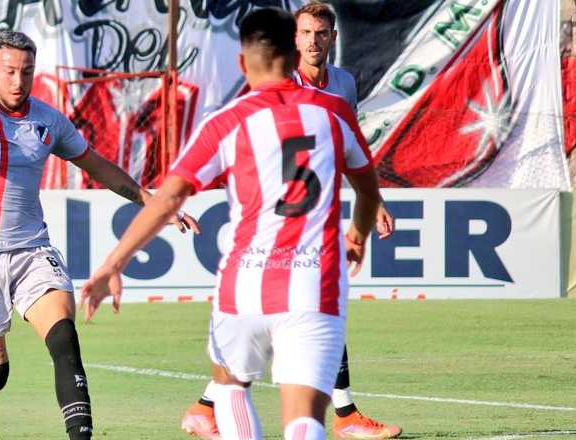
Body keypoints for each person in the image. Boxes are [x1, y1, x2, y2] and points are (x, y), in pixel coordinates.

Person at [83, 7, 382, 440]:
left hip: (242, 286)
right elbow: (369, 191)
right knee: (304, 420)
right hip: (313, 284)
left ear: (243, 64)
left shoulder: (226, 122)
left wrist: (113, 264)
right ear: (293, 53)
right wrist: (357, 233)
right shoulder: (334, 111)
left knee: (230, 389)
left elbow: (167, 199)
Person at [0, 30, 199, 440]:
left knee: (64, 339)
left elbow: (96, 164)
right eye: (9, 71)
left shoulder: (48, 120)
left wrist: (153, 203)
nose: (18, 81)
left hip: (32, 250)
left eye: (26, 71)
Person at [181, 3, 402, 439]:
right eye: (305, 33)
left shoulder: (342, 84)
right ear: (293, 40)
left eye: (321, 33)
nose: (313, 41)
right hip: (272, 221)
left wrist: (370, 201)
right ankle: (344, 416)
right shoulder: (280, 82)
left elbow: (348, 149)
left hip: (318, 212)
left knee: (309, 312)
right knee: (310, 311)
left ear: (333, 37)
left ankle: (208, 409)